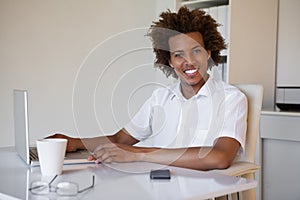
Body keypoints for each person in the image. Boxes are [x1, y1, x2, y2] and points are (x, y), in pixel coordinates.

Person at [50, 7, 247, 171]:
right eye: (179, 55)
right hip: (158, 185)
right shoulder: (160, 98)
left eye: (196, 51)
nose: (189, 61)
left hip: (204, 190)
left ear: (208, 54)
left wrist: (139, 154)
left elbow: (219, 157)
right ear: (169, 61)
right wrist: (74, 142)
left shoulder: (230, 99)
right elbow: (120, 139)